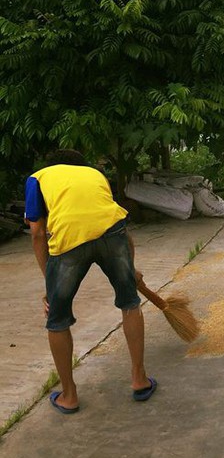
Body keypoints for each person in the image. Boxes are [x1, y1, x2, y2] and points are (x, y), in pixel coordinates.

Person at [24, 149, 155, 414]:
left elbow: (37, 233)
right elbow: (116, 221)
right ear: (80, 165)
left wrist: (49, 285)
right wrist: (130, 268)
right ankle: (139, 379)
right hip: (113, 236)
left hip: (70, 241)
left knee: (57, 319)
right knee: (130, 303)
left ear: (52, 164)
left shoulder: (37, 178)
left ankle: (69, 396)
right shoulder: (95, 174)